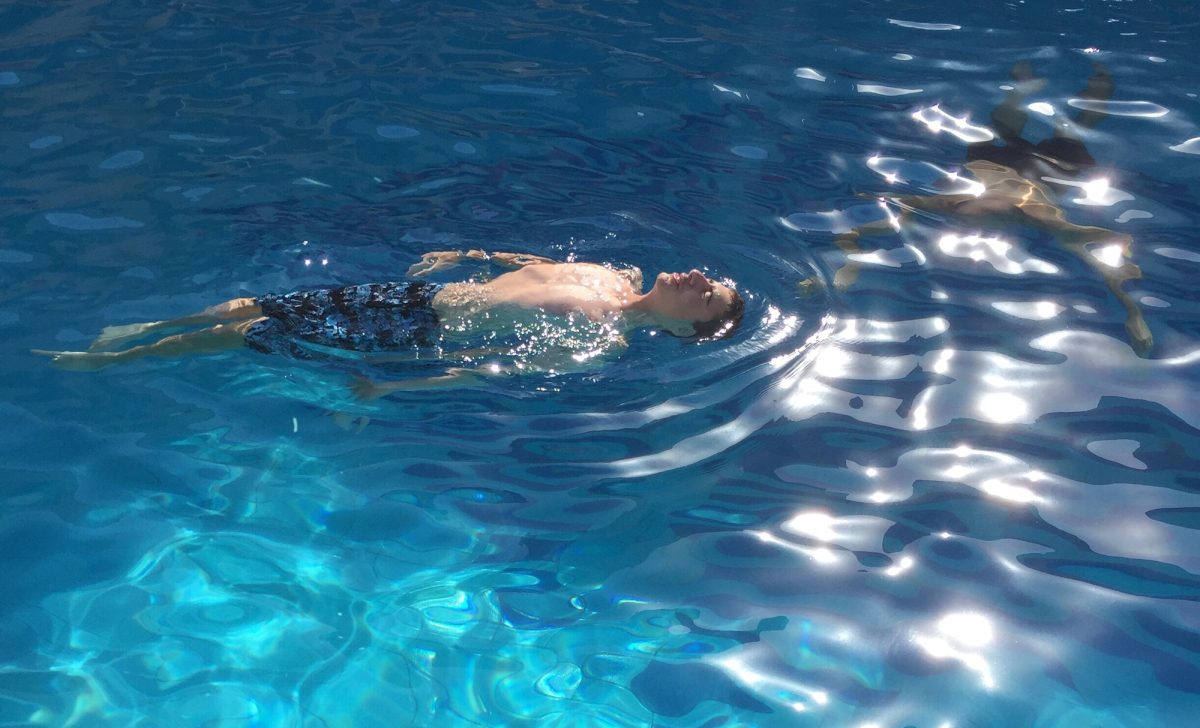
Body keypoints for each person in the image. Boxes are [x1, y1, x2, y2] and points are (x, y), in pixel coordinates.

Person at [34, 250, 745, 394]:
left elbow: (483, 368)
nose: (700, 279)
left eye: (706, 296)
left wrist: (390, 388)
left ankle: (110, 362)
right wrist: (468, 253)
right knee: (248, 303)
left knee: (246, 333)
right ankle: (140, 327)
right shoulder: (611, 273)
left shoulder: (597, 343)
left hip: (412, 333)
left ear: (686, 331)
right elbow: (530, 260)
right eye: (711, 279)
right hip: (418, 297)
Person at [824, 63, 1153, 355]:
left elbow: (877, 218)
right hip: (1046, 175)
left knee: (1012, 133)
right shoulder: (1032, 214)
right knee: (1069, 131)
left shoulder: (964, 206)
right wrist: (1132, 312)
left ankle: (1032, 88)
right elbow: (1100, 251)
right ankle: (1087, 79)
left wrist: (848, 266)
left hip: (995, 167)